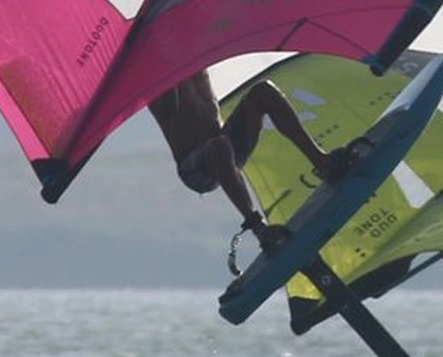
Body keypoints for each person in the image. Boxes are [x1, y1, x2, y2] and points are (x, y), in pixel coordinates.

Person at [149, 71, 351, 254]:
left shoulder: (194, 54)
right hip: (195, 167)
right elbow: (168, 108)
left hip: (225, 144)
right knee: (218, 146)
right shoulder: (158, 75)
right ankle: (259, 229)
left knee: (263, 91)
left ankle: (322, 162)